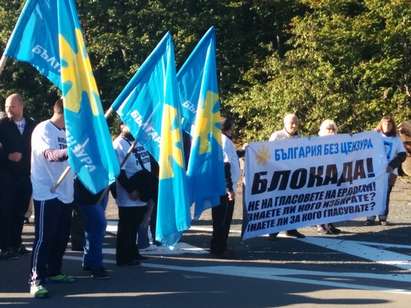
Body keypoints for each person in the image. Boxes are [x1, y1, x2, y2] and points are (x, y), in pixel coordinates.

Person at [29, 99, 75, 298]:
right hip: (47, 191)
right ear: (64, 112)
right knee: (44, 238)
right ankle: (35, 279)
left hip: (66, 192)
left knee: (61, 237)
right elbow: (50, 154)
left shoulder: (68, 133)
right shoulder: (43, 129)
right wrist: (71, 152)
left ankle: (54, 271)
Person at [0, 93, 35, 257]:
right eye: (7, 107)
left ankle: (16, 243)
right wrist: (7, 156)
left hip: (25, 175)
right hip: (6, 175)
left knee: (20, 211)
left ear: (21, 106)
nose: (9, 110)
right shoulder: (2, 125)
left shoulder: (32, 125)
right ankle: (4, 246)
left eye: (12, 107)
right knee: (5, 210)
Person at [113, 124, 151, 266]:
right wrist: (130, 189)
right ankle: (123, 257)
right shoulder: (118, 144)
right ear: (121, 126)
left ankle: (133, 251)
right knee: (126, 226)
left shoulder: (138, 140)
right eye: (129, 124)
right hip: (129, 194)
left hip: (142, 190)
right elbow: (119, 172)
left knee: (135, 224)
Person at [268, 113, 305, 238]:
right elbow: (269, 153)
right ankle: (273, 231)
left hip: (294, 174)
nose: (294, 126)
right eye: (291, 123)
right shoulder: (277, 136)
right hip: (279, 175)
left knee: (294, 202)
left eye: (296, 123)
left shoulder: (300, 138)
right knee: (279, 203)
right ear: (285, 124)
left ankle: (291, 228)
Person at [365, 116, 406, 226]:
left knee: (385, 194)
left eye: (389, 124)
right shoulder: (375, 137)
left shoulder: (396, 139)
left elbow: (402, 155)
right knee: (372, 193)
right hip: (374, 171)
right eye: (385, 124)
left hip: (389, 171)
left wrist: (392, 166)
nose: (387, 126)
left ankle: (383, 217)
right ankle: (370, 217)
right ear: (381, 125)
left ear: (392, 126)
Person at [210, 117, 241, 258]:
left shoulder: (219, 139)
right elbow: (225, 165)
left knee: (219, 219)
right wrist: (229, 188)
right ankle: (220, 248)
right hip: (224, 188)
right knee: (223, 220)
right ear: (228, 128)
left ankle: (218, 246)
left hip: (219, 186)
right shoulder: (225, 141)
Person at [74, 178, 110, 279]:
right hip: (86, 189)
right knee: (98, 226)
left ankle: (89, 261)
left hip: (101, 186)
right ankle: (96, 265)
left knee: (93, 228)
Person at [316, 119, 341, 235]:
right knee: (321, 201)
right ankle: (320, 225)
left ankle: (329, 224)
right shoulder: (317, 143)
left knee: (331, 201)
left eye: (333, 129)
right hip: (320, 175)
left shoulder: (338, 143)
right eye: (328, 129)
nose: (331, 131)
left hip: (333, 174)